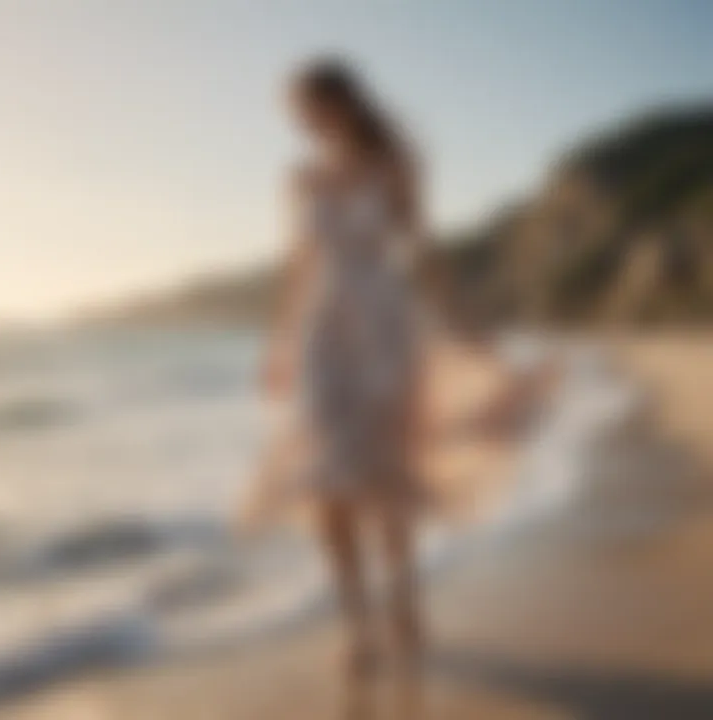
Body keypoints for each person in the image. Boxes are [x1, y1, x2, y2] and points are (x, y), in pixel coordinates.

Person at [262, 57, 429, 680]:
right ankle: (357, 625)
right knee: (326, 480)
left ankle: (404, 598)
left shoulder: (398, 161)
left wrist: (458, 324)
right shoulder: (299, 177)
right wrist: (279, 344)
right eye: (295, 114)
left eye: (308, 108)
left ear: (343, 100)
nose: (302, 123)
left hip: (384, 323)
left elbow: (418, 244)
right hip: (321, 333)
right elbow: (298, 265)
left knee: (385, 475)